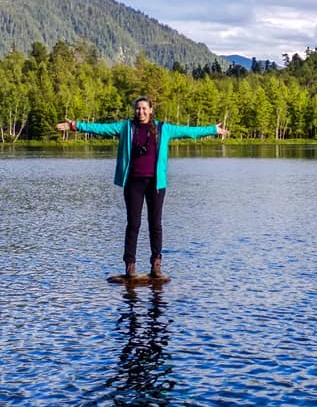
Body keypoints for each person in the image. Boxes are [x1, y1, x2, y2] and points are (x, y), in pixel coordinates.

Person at [57, 97, 229, 283]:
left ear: (151, 110)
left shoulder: (163, 129)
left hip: (155, 184)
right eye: (138, 109)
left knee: (155, 224)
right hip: (133, 183)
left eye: (144, 108)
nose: (141, 112)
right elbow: (101, 128)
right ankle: (130, 267)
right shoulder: (126, 127)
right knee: (133, 224)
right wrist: (75, 125)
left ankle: (156, 266)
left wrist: (213, 129)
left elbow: (188, 131)